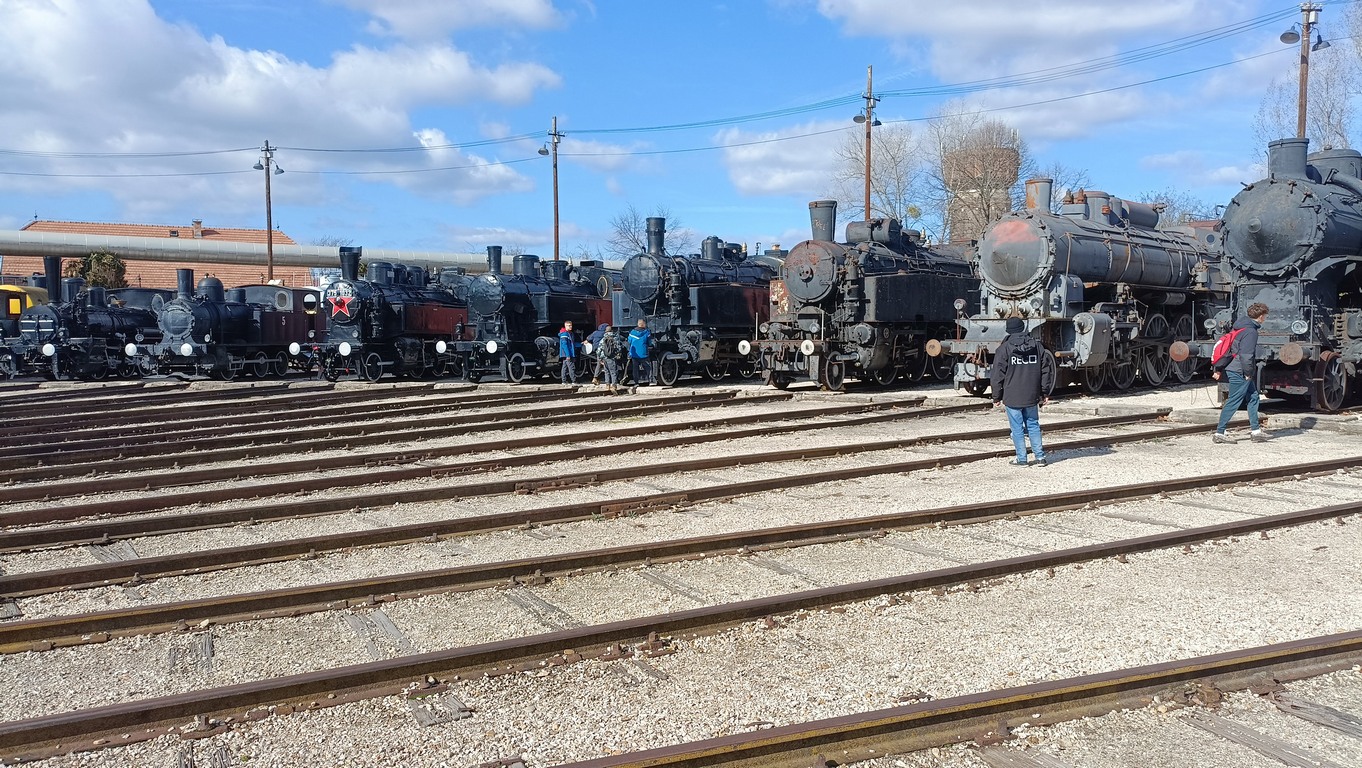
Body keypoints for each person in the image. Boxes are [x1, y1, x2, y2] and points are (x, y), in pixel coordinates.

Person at [990, 316, 1056, 467]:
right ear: (1023, 328)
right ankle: (1040, 457)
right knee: (1033, 425)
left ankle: (1022, 459)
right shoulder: (1037, 346)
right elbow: (1046, 371)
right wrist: (1045, 392)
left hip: (1012, 395)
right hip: (1032, 394)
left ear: (1008, 330)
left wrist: (996, 396)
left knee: (1017, 428)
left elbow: (997, 375)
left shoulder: (1004, 349)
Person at [1213, 302, 1272, 444]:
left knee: (1253, 397)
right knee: (1234, 400)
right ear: (1261, 316)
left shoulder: (1240, 327)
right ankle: (1219, 433)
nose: (1265, 318)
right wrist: (1248, 372)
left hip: (1235, 367)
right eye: (1265, 316)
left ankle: (1256, 432)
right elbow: (1246, 355)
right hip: (1239, 370)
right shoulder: (1251, 332)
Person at [627, 318, 653, 393]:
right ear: (643, 324)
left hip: (634, 354)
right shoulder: (646, 332)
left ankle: (636, 382)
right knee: (648, 367)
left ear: (638, 324)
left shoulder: (632, 332)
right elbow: (649, 342)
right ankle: (650, 381)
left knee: (635, 369)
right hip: (643, 353)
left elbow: (629, 341)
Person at [597, 325, 622, 394]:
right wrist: (618, 355)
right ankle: (614, 386)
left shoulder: (603, 339)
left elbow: (599, 350)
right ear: (612, 331)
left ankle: (607, 385)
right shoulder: (615, 338)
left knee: (606, 371)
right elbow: (619, 348)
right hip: (612, 358)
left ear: (606, 331)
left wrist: (600, 358)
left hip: (605, 358)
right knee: (613, 372)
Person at [558, 320, 578, 385]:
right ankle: (574, 381)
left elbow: (572, 344)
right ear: (565, 326)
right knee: (571, 367)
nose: (570, 327)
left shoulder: (569, 333)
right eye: (569, 325)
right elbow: (565, 345)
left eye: (571, 325)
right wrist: (568, 354)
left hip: (567, 353)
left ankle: (564, 381)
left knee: (565, 367)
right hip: (568, 353)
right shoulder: (565, 334)